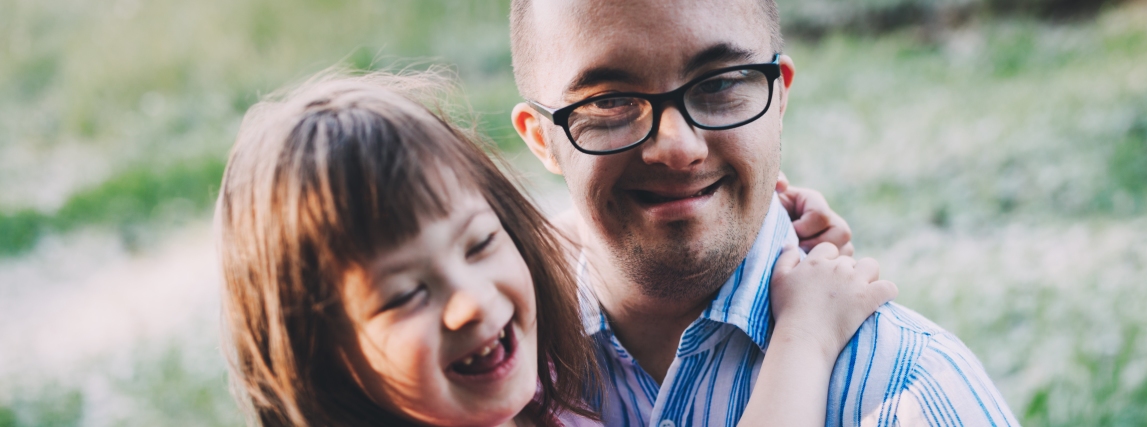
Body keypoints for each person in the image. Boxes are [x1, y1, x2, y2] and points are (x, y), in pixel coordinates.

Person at [215, 70, 897, 426]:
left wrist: (745, 216)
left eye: (479, 243)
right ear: (321, 356)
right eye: (406, 293)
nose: (472, 300)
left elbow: (550, 234)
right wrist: (806, 333)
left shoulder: (496, 391)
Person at [508, 0, 1021, 425]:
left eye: (718, 84)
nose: (678, 147)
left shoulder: (913, 396)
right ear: (541, 139)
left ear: (777, 97)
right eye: (609, 102)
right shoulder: (493, 369)